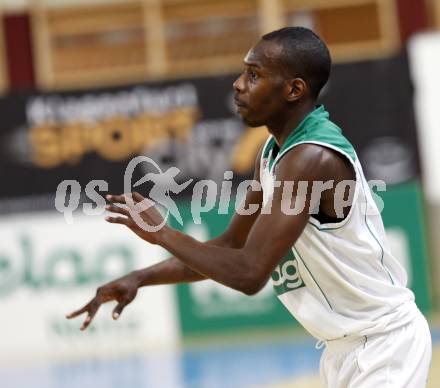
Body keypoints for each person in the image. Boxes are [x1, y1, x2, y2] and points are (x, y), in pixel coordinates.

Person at [66, 27, 432, 387]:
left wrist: (162, 232)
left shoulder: (310, 158)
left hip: (384, 344)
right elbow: (231, 247)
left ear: (294, 89)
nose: (238, 84)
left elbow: (249, 273)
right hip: (343, 350)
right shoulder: (273, 154)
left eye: (254, 75)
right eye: (244, 72)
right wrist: (140, 278)